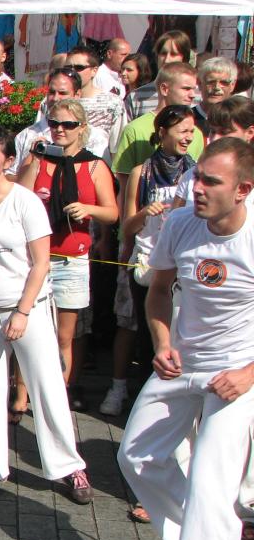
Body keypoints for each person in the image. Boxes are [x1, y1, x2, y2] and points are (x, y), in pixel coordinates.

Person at [118, 138, 254, 540]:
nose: (196, 189)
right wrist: (163, 342)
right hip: (182, 365)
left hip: (238, 377)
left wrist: (248, 374)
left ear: (243, 190)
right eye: (197, 178)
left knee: (212, 489)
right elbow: (157, 291)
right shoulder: (179, 223)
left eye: (211, 183)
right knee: (136, 456)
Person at [0, 127, 92, 504]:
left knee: (46, 387)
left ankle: (68, 466)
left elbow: (41, 264)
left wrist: (23, 312)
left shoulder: (25, 202)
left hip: (29, 308)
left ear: (8, 161)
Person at [17, 99, 118, 409]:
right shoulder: (41, 160)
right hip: (36, 259)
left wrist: (88, 209)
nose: (60, 130)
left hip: (72, 258)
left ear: (81, 128)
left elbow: (113, 213)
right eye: (55, 124)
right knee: (27, 332)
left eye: (68, 125)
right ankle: (21, 397)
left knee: (64, 336)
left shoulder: (94, 165)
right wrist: (33, 161)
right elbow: (18, 199)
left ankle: (54, 401)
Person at [99, 105, 196, 422]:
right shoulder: (143, 172)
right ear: (163, 133)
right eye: (182, 131)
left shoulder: (197, 174)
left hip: (181, 267)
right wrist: (144, 214)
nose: (188, 137)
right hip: (144, 264)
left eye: (191, 131)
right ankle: (123, 390)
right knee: (135, 330)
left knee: (172, 333)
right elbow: (125, 226)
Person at [113, 62, 204, 195]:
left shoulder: (196, 133)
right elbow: (123, 183)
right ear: (164, 89)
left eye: (193, 89)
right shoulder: (135, 129)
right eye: (186, 89)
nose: (192, 95)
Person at [126, 30, 191, 121]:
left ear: (184, 58)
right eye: (163, 54)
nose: (167, 60)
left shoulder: (196, 95)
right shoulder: (136, 97)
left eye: (173, 54)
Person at [193, 57, 237, 136]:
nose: (217, 87)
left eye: (223, 82)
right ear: (199, 83)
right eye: (211, 82)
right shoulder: (187, 118)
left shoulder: (238, 119)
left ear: (232, 85)